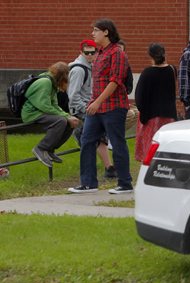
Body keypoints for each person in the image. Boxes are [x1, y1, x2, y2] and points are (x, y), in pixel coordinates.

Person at [68, 18, 133, 194]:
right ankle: (88, 183)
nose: (92, 33)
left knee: (118, 143)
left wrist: (97, 102)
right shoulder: (100, 54)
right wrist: (93, 102)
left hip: (113, 107)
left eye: (96, 30)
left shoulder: (117, 53)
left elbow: (115, 81)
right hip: (95, 108)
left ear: (106, 32)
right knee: (87, 141)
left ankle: (125, 183)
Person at [68, 39, 116, 178]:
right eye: (86, 53)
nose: (89, 55)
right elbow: (73, 95)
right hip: (82, 111)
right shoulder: (78, 69)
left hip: (91, 108)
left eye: (92, 52)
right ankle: (103, 170)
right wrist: (86, 109)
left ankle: (108, 168)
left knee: (96, 139)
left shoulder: (92, 66)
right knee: (92, 140)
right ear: (81, 52)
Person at [22, 62, 80, 167]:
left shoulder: (52, 84)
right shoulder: (45, 82)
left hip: (40, 111)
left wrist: (68, 116)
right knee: (61, 121)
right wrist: (65, 116)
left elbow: (54, 104)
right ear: (62, 76)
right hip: (32, 113)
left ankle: (50, 150)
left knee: (69, 122)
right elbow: (44, 106)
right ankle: (41, 148)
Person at [134, 43, 177, 162]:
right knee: (166, 149)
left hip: (151, 117)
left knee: (150, 151)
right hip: (169, 116)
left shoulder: (147, 73)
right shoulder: (172, 70)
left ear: (150, 56)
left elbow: (139, 97)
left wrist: (142, 112)